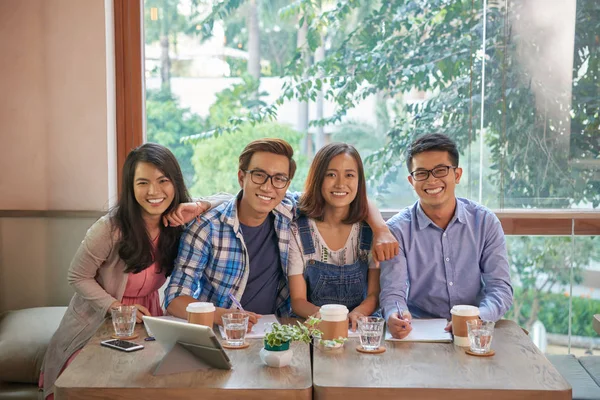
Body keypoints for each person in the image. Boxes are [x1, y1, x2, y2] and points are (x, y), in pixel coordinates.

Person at [40, 143, 218, 399]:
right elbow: (77, 276)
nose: (154, 191)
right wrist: (116, 307)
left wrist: (198, 206)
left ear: (175, 183)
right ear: (131, 187)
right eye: (142, 183)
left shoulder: (178, 222)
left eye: (163, 180)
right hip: (98, 319)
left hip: (148, 316)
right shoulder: (110, 228)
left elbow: (229, 198)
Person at [165, 138, 398, 327]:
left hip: (277, 328)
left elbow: (346, 196)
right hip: (220, 331)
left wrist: (380, 228)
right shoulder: (206, 228)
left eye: (279, 179)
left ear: (286, 185)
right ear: (241, 177)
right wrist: (224, 316)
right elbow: (174, 299)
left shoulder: (289, 210)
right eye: (259, 175)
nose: (268, 186)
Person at [380, 133, 513, 339]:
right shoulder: (397, 230)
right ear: (411, 180)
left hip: (475, 330)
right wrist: (395, 313)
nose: (432, 180)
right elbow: (393, 291)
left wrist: (477, 318)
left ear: (457, 175)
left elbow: (500, 288)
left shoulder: (485, 222)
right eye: (421, 173)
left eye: (441, 170)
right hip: (420, 330)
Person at [288, 143, 379, 330]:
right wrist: (322, 315)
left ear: (359, 181)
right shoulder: (298, 231)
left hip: (358, 328)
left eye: (349, 175)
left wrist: (359, 313)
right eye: (331, 174)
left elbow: (373, 295)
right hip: (316, 327)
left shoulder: (370, 231)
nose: (340, 184)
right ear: (318, 178)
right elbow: (297, 300)